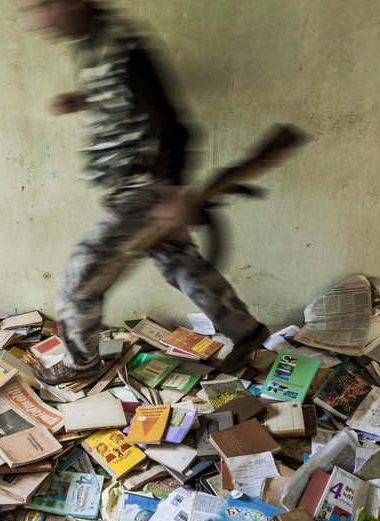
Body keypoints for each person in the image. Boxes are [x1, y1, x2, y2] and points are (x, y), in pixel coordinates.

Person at [16, 0, 269, 385]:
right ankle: (248, 333)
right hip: (136, 186)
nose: (38, 21)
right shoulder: (93, 42)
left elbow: (172, 125)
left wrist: (171, 190)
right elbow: (129, 101)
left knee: (80, 279)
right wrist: (85, 100)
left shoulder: (122, 47)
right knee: (183, 267)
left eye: (44, 6)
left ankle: (81, 363)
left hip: (143, 190)